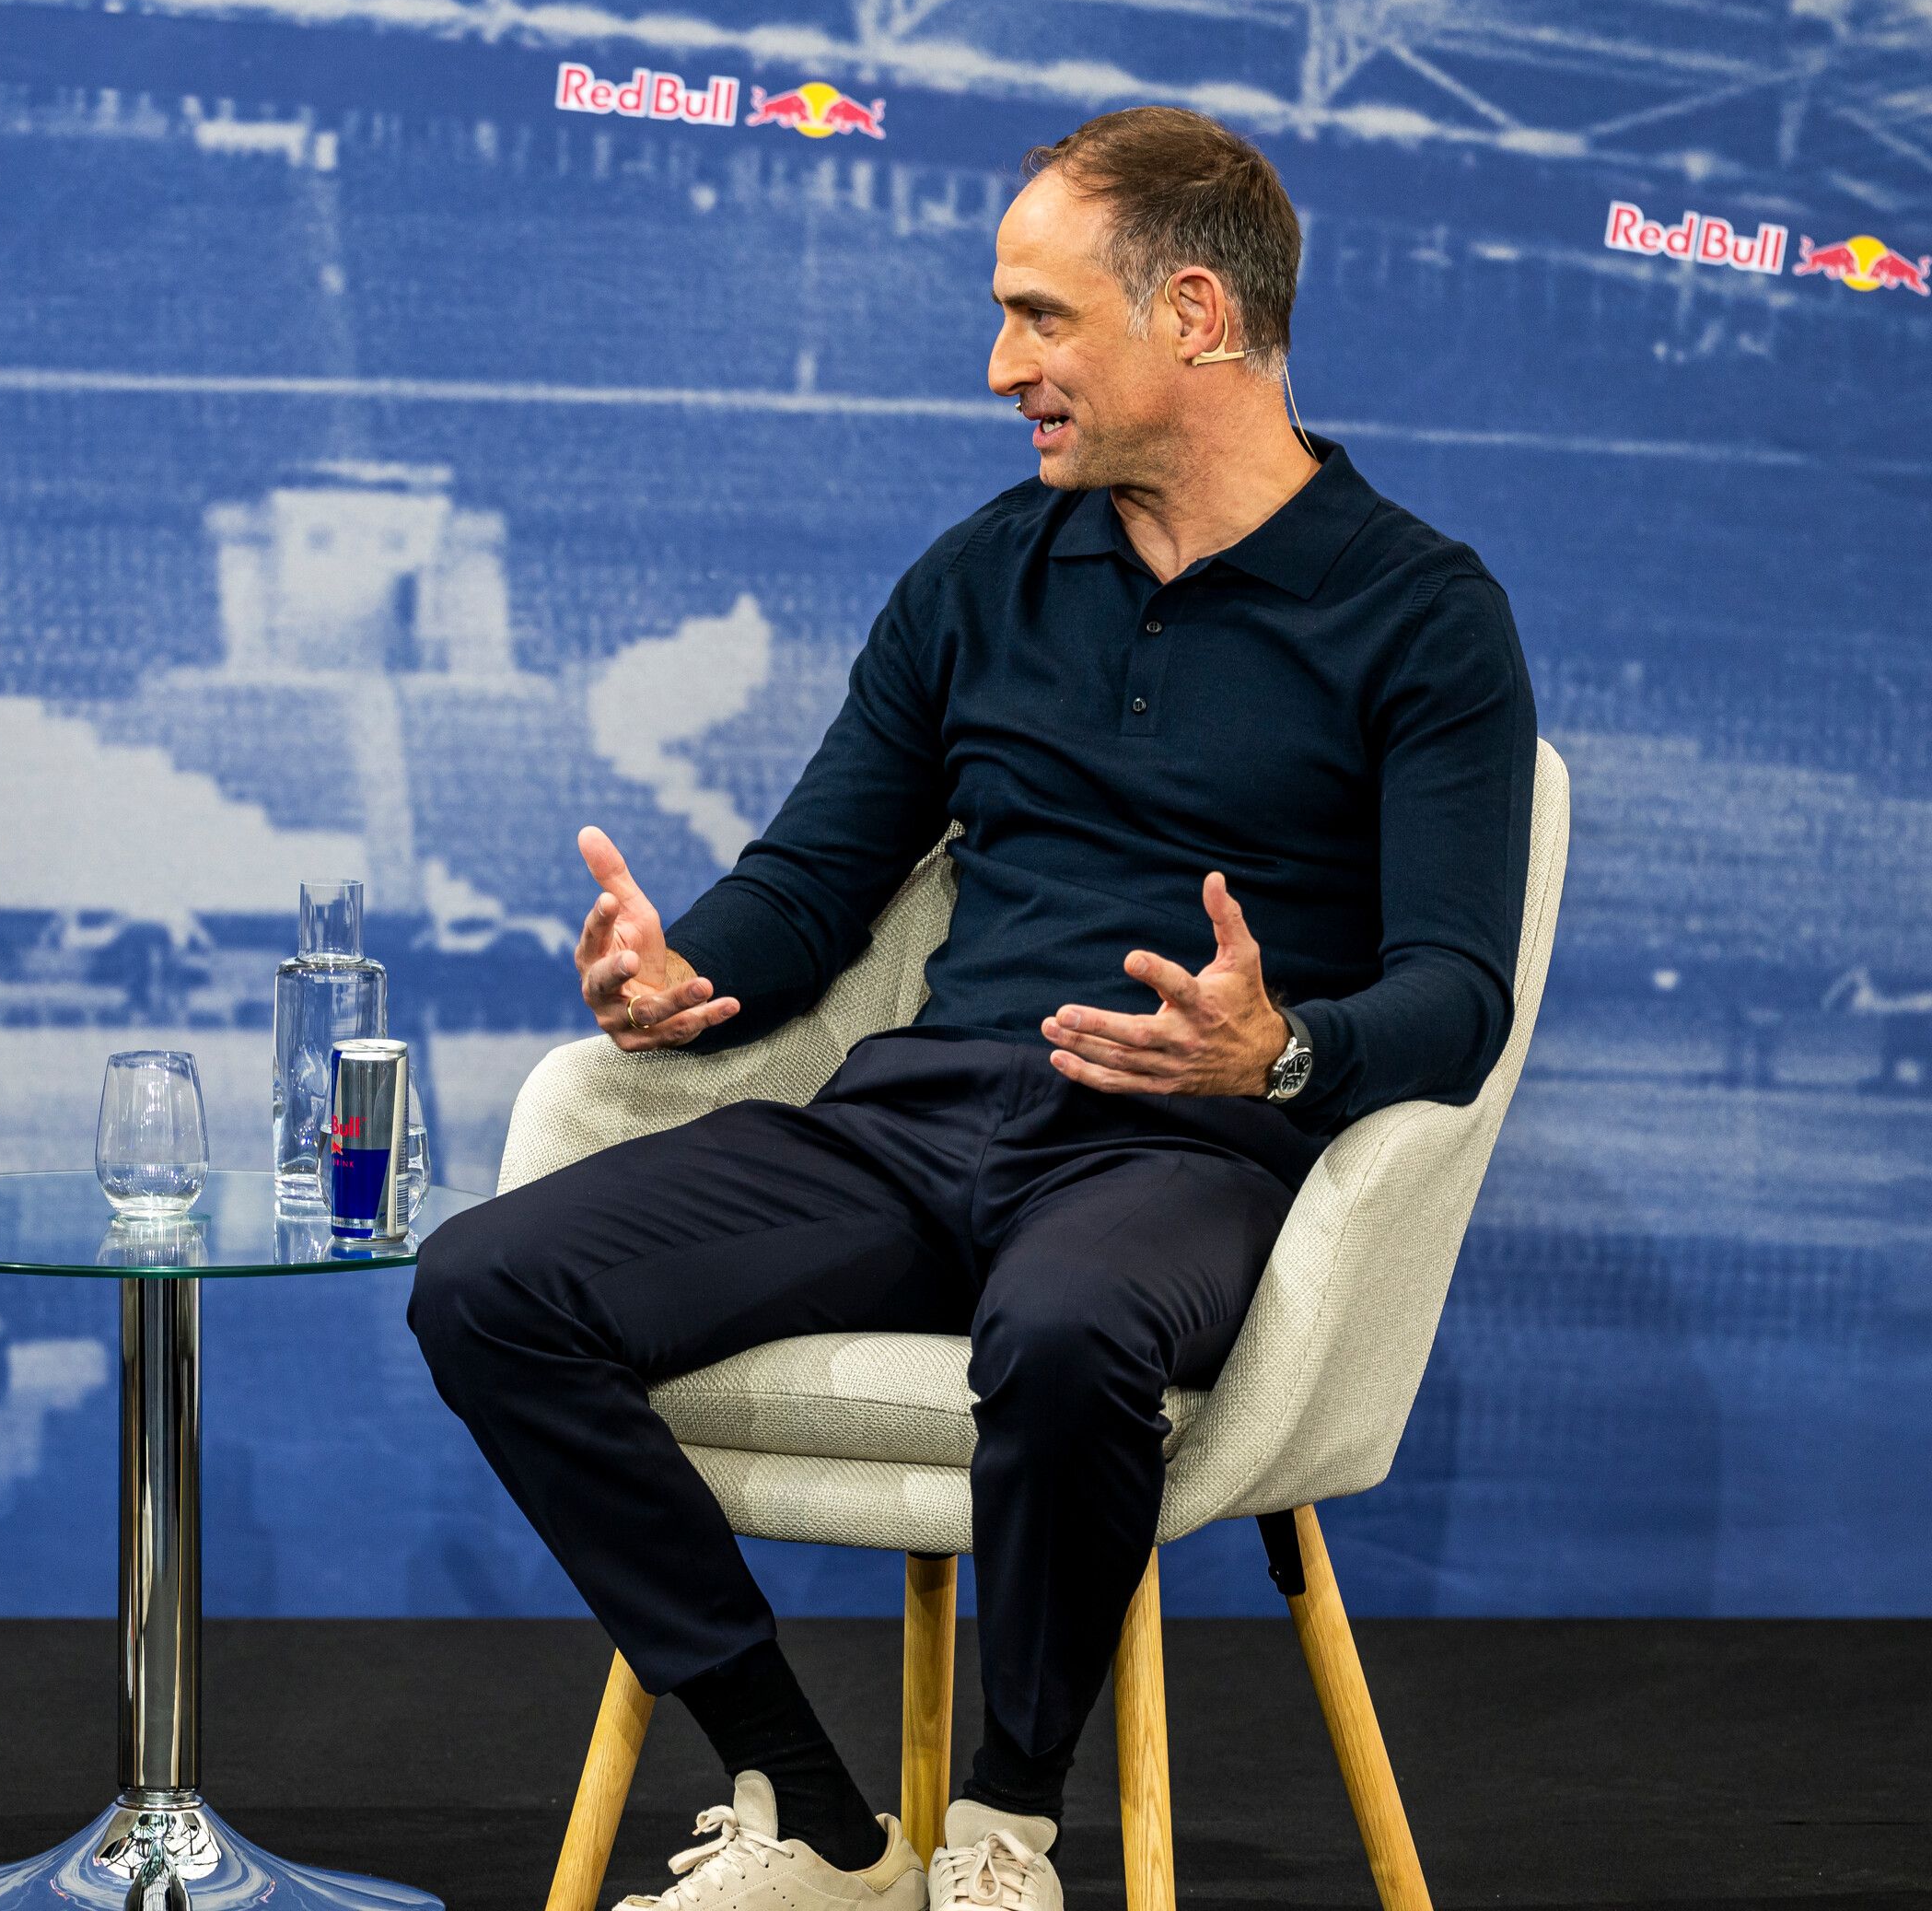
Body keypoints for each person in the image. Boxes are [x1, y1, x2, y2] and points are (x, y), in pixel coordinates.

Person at [412, 107, 1534, 1911]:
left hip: (1184, 1150)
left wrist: (1282, 1051)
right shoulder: (979, 577)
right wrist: (684, 971)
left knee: (1071, 1332)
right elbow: (811, 885)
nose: (999, 363)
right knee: (488, 1285)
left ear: (1191, 315)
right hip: (910, 1127)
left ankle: (1003, 1836)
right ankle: (815, 1813)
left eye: (1039, 316)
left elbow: (1460, 997)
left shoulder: (1419, 612)